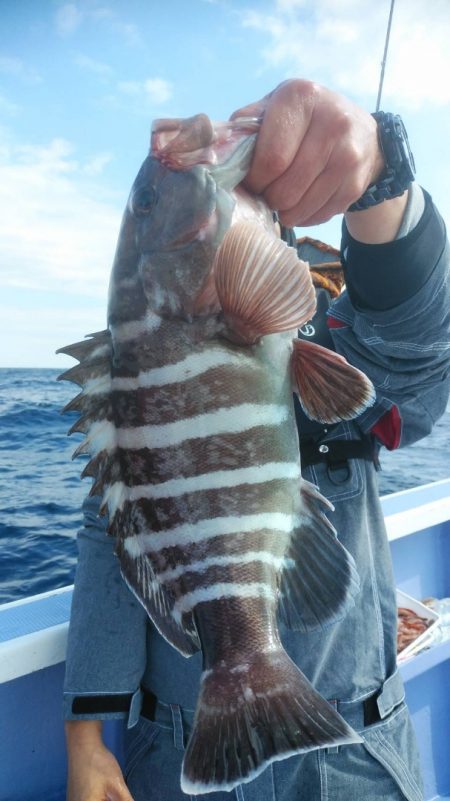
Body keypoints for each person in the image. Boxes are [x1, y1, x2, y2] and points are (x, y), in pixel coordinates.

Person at [63, 79, 450, 801]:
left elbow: (418, 369)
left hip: (354, 750)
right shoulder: (132, 372)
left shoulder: (336, 335)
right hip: (182, 745)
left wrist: (381, 175)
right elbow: (112, 529)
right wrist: (85, 737)